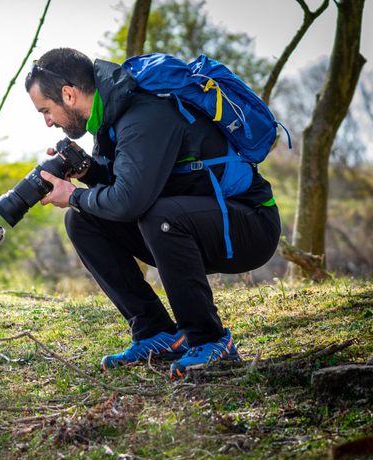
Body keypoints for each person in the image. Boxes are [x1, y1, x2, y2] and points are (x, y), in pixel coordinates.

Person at [24, 47, 281, 377]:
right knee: (83, 220)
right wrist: (87, 171)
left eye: (46, 110)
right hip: (193, 224)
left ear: (68, 94)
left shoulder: (144, 112)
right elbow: (127, 186)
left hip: (250, 224)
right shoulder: (111, 117)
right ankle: (157, 333)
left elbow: (130, 200)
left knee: (158, 215)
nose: (48, 122)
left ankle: (212, 341)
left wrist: (73, 195)